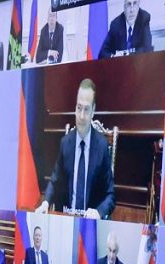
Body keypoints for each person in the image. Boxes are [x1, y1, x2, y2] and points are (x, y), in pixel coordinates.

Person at [36, 79, 115, 219]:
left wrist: (98, 212)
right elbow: (55, 181)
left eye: (86, 109)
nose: (82, 116)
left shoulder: (102, 147)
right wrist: (45, 203)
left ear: (93, 110)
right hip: (66, 219)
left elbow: (110, 195)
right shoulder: (65, 143)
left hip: (90, 222)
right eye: (79, 108)